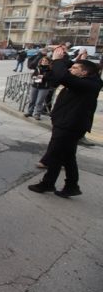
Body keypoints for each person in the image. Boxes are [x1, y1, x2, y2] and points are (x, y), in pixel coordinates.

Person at [28, 46, 103, 197]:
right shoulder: (81, 80)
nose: (71, 69)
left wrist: (57, 60)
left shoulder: (89, 84)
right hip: (65, 123)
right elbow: (56, 77)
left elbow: (63, 76)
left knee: (55, 155)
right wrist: (49, 67)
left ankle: (48, 183)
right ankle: (72, 185)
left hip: (70, 125)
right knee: (68, 156)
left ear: (84, 72)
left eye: (75, 68)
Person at [24, 56, 52, 120]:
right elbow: (33, 75)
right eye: (43, 60)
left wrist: (43, 77)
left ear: (48, 62)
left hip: (44, 87)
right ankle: (29, 112)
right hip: (35, 86)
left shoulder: (50, 70)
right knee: (32, 100)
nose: (44, 62)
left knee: (39, 101)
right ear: (41, 61)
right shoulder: (38, 68)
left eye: (46, 61)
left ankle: (37, 114)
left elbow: (51, 78)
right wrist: (34, 77)